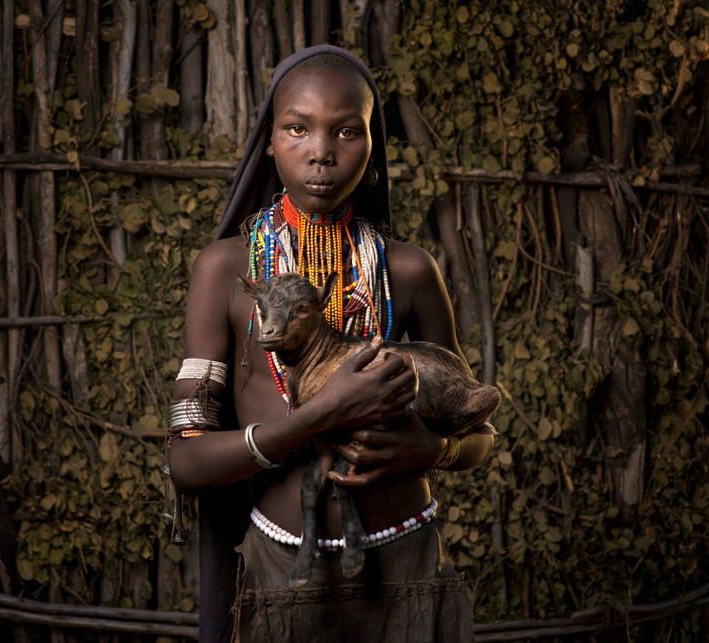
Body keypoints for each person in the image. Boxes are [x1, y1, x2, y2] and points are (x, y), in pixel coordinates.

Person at [167, 45, 496, 642]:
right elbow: (185, 461)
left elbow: (476, 435)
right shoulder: (226, 271)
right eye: (297, 129)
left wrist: (430, 450)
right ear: (269, 141)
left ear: (373, 150)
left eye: (347, 131)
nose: (321, 152)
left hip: (408, 567)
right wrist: (318, 417)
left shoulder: (410, 270)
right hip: (281, 575)